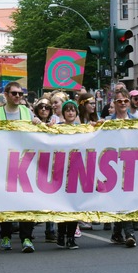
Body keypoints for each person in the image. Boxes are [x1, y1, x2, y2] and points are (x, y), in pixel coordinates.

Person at [0, 82, 41, 253]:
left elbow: (38, 133)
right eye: (14, 93)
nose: (18, 97)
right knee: (5, 201)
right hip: (4, 163)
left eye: (21, 94)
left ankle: (26, 237)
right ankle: (5, 234)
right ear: (6, 95)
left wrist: (37, 123)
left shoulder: (26, 112)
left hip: (24, 162)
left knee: (26, 200)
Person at [106, 88, 138, 247]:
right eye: (120, 101)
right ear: (114, 103)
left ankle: (121, 233)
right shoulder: (107, 122)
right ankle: (126, 233)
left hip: (132, 164)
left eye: (126, 101)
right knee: (121, 198)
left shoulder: (137, 122)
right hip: (113, 165)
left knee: (127, 199)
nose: (123, 104)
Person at [56, 100, 81, 249]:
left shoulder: (82, 129)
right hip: (60, 170)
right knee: (61, 205)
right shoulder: (57, 128)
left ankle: (71, 237)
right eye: (68, 110)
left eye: (73, 110)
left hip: (76, 171)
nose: (70, 113)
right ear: (63, 113)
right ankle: (60, 234)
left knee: (74, 205)